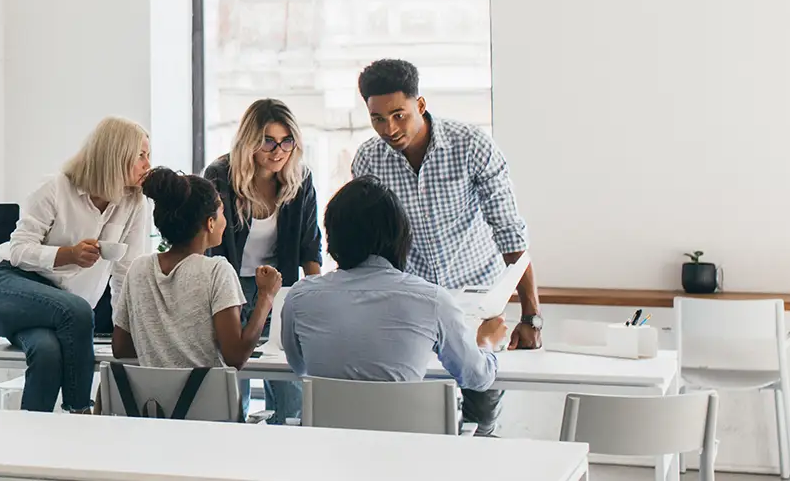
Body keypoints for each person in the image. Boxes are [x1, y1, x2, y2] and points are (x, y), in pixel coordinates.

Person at [349, 59, 542, 436]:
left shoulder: (470, 146)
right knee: (416, 415)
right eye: (378, 119)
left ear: (420, 105)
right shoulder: (369, 160)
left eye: (399, 115)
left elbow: (509, 231)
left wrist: (531, 315)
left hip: (478, 301)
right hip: (412, 303)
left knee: (481, 415)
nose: (389, 129)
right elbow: (369, 241)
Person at [0, 116, 153, 413]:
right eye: (141, 155)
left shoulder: (134, 203)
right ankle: (80, 412)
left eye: (148, 155)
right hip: (7, 286)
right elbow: (18, 250)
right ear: (116, 155)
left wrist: (125, 331)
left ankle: (32, 435)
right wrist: (67, 255)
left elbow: (125, 273)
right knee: (79, 310)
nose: (148, 165)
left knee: (46, 352)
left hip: (60, 312)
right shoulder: (56, 189)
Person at [278, 177, 501, 410]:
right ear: (401, 237)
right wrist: (486, 342)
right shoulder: (433, 300)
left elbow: (299, 367)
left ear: (332, 238)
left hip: (326, 430)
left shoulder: (300, 297)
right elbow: (477, 378)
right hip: (405, 432)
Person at [202, 98, 321, 424]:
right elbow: (207, 242)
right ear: (250, 141)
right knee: (232, 386)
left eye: (286, 141)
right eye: (268, 141)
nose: (278, 151)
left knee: (289, 390)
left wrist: (313, 299)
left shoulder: (300, 179)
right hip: (229, 287)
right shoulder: (220, 175)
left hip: (279, 288)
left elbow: (310, 246)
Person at [109, 168, 272, 376]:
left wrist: (164, 342)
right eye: (221, 212)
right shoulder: (217, 271)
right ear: (210, 223)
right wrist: (266, 296)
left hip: (153, 396)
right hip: (205, 396)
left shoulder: (138, 269)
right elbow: (235, 357)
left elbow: (121, 348)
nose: (225, 221)